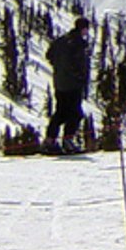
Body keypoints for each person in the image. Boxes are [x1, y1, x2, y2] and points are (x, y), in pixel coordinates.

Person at [43, 15, 91, 154]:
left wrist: (59, 68)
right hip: (73, 84)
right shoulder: (77, 43)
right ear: (83, 29)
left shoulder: (61, 41)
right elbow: (76, 63)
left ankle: (50, 140)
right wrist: (79, 75)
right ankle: (68, 141)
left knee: (61, 112)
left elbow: (49, 55)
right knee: (75, 113)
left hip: (59, 82)